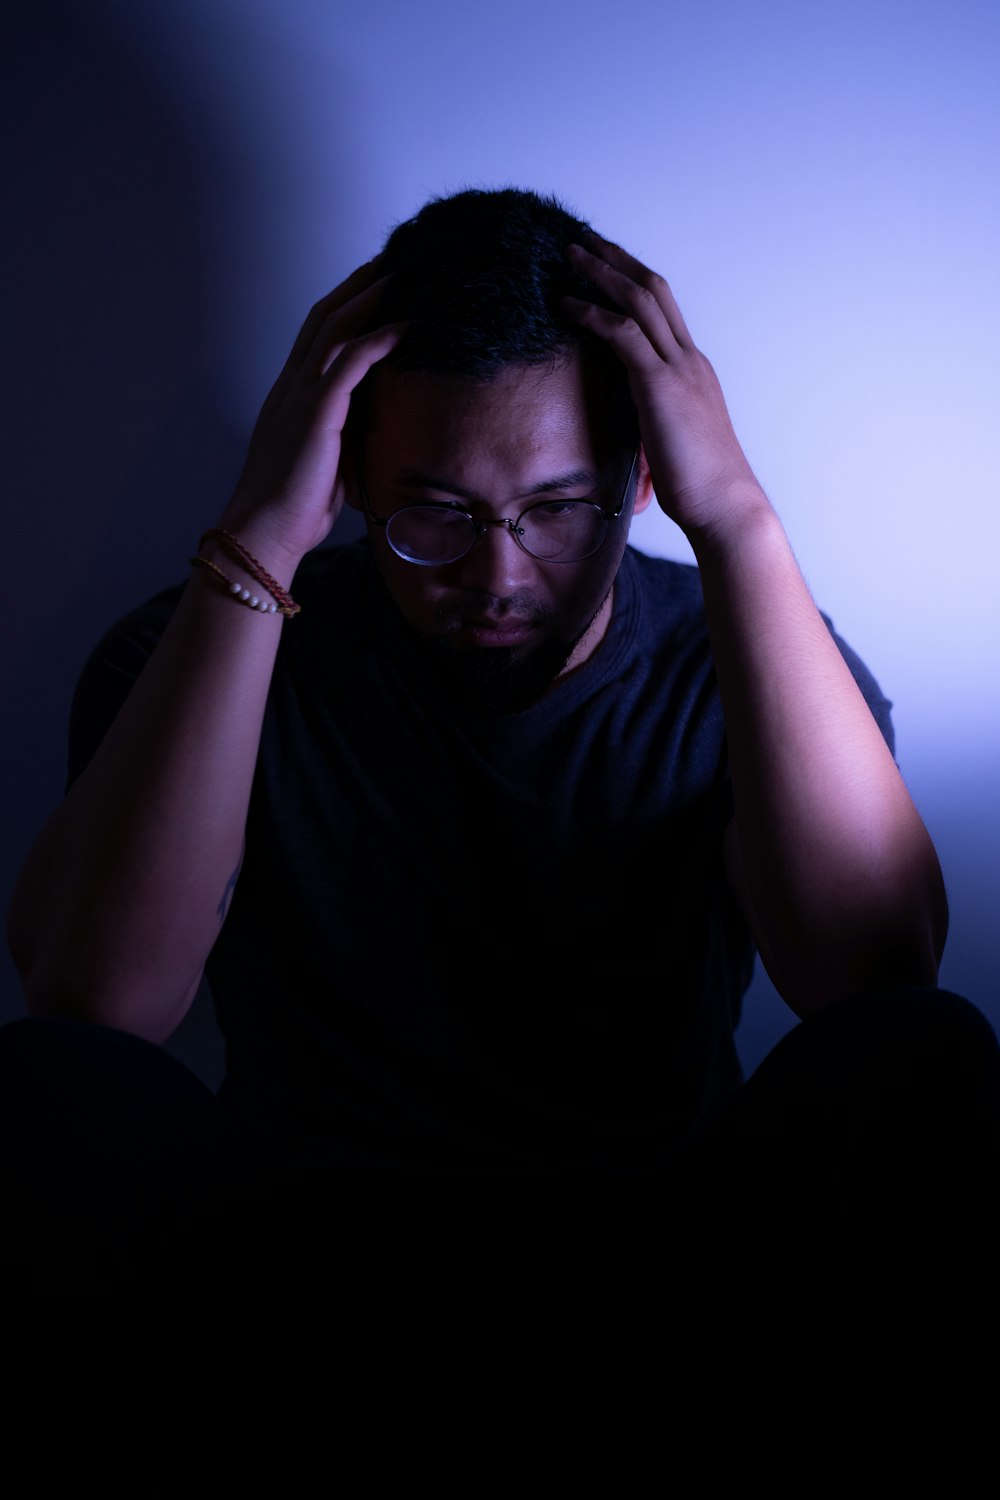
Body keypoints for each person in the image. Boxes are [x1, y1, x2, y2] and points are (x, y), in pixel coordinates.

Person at [5, 187, 999, 1242]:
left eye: (558, 510)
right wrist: (259, 536)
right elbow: (94, 1006)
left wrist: (739, 523)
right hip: (299, 1232)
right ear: (347, 477)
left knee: (924, 1051)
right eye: (436, 512)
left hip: (663, 1229)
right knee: (42, 1084)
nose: (497, 573)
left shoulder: (752, 666)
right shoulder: (196, 653)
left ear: (642, 473)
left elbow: (877, 986)